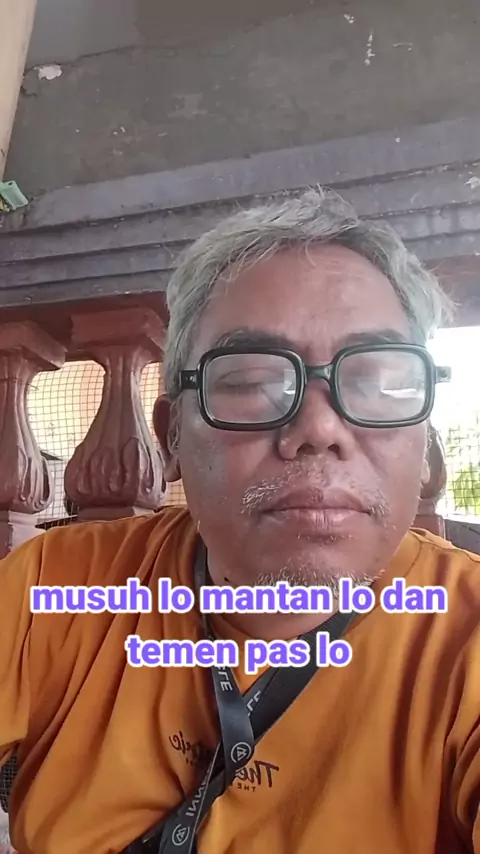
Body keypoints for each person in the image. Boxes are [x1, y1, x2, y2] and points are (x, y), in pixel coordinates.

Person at [0, 186, 479, 854]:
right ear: (171, 436)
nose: (319, 428)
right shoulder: (55, 589)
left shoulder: (466, 641)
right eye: (253, 381)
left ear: (423, 441)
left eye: (375, 381)